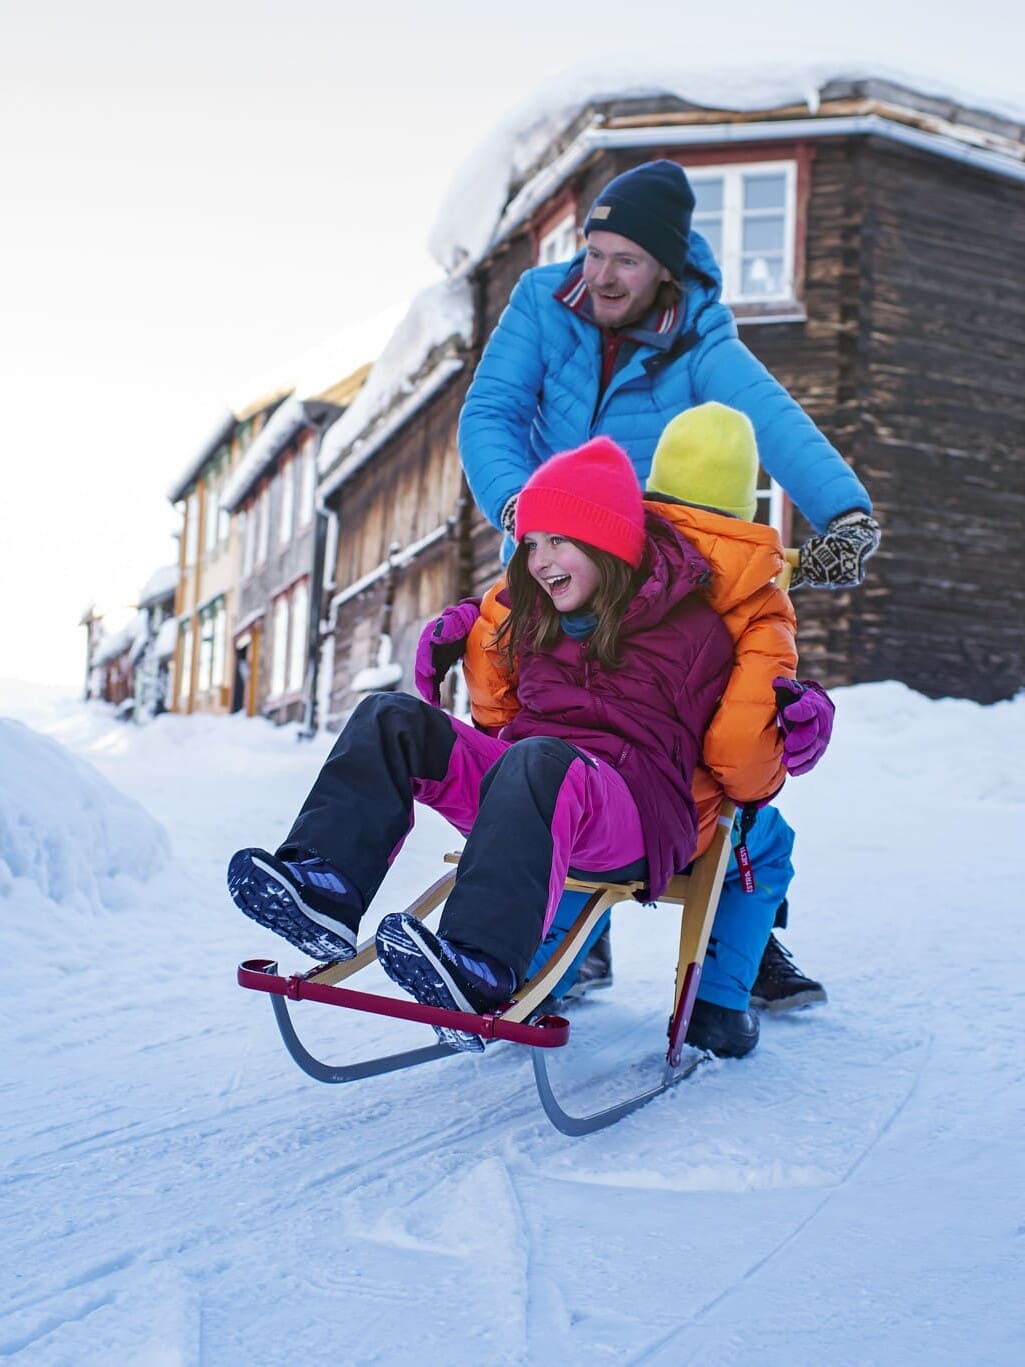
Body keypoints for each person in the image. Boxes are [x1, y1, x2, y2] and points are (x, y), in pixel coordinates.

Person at [457, 157, 879, 1007]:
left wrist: (844, 514)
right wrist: (518, 510)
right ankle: (570, 925)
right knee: (549, 719)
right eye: (594, 250)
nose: (601, 275)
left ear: (664, 267)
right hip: (554, 557)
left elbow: (769, 420)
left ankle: (744, 933)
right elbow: (491, 412)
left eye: (626, 259)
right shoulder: (544, 303)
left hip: (657, 573)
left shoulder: (700, 338)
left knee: (706, 735)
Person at [227, 437, 734, 1053]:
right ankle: (324, 888)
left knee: (539, 758)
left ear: (608, 542)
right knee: (392, 717)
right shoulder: (537, 612)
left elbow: (747, 750)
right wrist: (464, 635)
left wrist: (797, 717)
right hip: (528, 785)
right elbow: (495, 688)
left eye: (558, 541)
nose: (540, 560)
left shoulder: (697, 629)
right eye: (530, 544)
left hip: (632, 811)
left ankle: (482, 965)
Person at [422, 402, 834, 1056]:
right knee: (760, 840)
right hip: (665, 814)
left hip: (556, 779)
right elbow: (736, 759)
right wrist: (785, 747)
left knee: (557, 792)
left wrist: (473, 643)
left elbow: (501, 669)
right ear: (743, 501)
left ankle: (537, 970)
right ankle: (718, 1008)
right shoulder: (758, 602)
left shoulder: (597, 542)